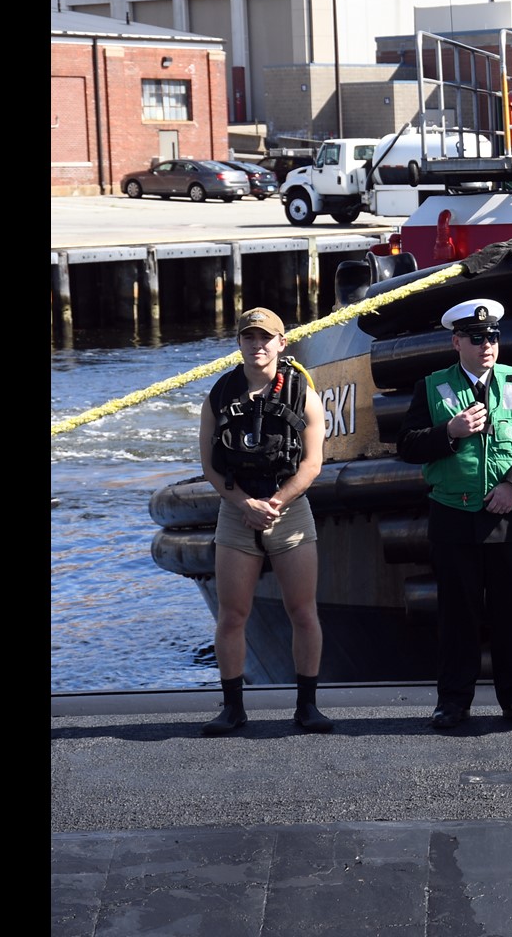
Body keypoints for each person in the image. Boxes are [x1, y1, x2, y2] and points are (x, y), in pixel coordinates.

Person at [397, 298, 512, 730]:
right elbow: (407, 446)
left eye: (493, 337)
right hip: (453, 515)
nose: (487, 345)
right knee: (457, 614)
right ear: (456, 341)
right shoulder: (431, 387)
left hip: (511, 515)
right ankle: (453, 701)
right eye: (477, 338)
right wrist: (449, 431)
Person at [197, 308, 333, 735]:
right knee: (232, 615)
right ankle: (233, 707)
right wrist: (244, 504)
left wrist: (273, 502)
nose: (257, 346)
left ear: (282, 343)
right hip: (237, 513)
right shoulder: (218, 397)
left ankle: (307, 706)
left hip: (289, 512)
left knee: (303, 611)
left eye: (265, 338)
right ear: (239, 344)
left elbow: (312, 464)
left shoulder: (302, 395)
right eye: (249, 338)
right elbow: (209, 465)